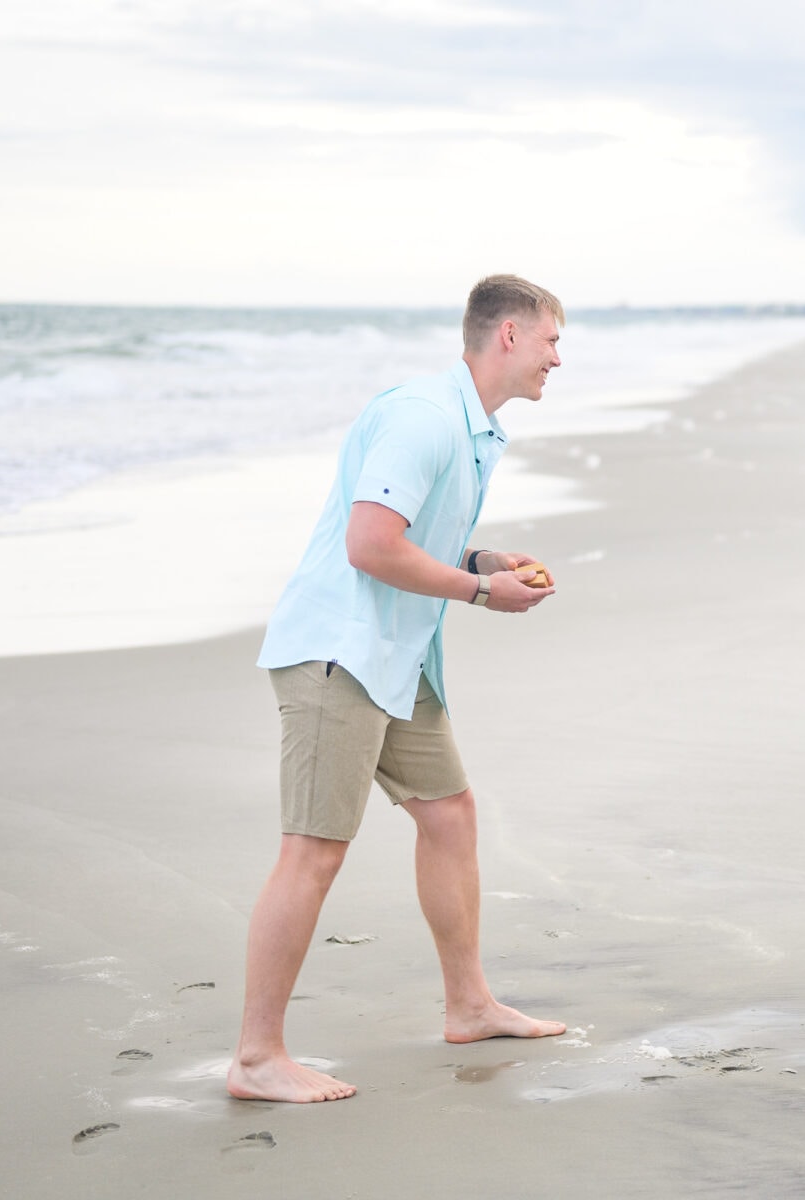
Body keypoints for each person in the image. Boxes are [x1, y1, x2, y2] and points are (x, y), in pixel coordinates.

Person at [227, 275, 568, 1105]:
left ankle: (469, 1005)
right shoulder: (424, 417)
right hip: (339, 652)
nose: (560, 356)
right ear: (510, 337)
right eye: (553, 339)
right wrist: (483, 592)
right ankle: (256, 1057)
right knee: (314, 850)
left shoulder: (471, 426)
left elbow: (419, 536)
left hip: (397, 657)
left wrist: (484, 561)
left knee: (449, 814)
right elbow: (370, 545)